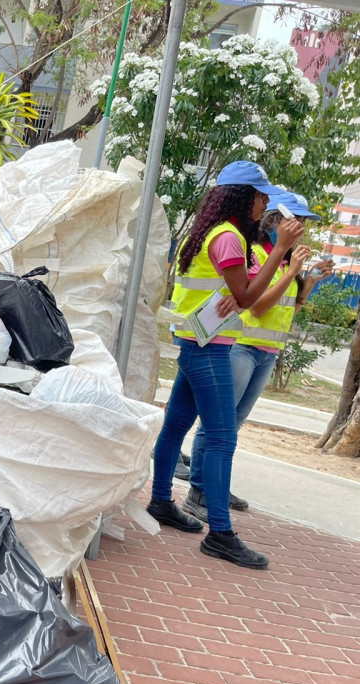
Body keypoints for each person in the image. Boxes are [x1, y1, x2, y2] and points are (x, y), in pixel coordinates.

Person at [146, 161, 303, 570]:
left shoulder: (215, 233)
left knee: (176, 427)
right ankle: (220, 533)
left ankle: (161, 500)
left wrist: (244, 288)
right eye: (260, 195)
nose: (266, 202)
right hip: (210, 349)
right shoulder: (228, 238)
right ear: (241, 196)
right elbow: (249, 297)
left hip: (197, 342)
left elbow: (240, 292)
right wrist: (282, 250)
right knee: (221, 437)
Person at [182, 192, 334, 521]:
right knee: (217, 424)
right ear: (274, 221)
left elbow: (289, 308)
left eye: (305, 222)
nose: (302, 227)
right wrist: (292, 271)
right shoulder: (256, 253)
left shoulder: (283, 259)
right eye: (298, 220)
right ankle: (198, 492)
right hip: (243, 347)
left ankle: (216, 486)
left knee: (233, 424)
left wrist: (308, 282)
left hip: (267, 353)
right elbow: (259, 305)